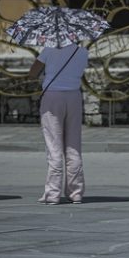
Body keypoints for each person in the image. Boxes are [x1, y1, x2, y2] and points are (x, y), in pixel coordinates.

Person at [29, 43, 89, 205]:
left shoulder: (48, 50)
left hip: (53, 96)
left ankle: (53, 193)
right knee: (74, 146)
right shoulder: (82, 51)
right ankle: (76, 192)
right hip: (74, 96)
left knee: (53, 146)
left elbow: (32, 73)